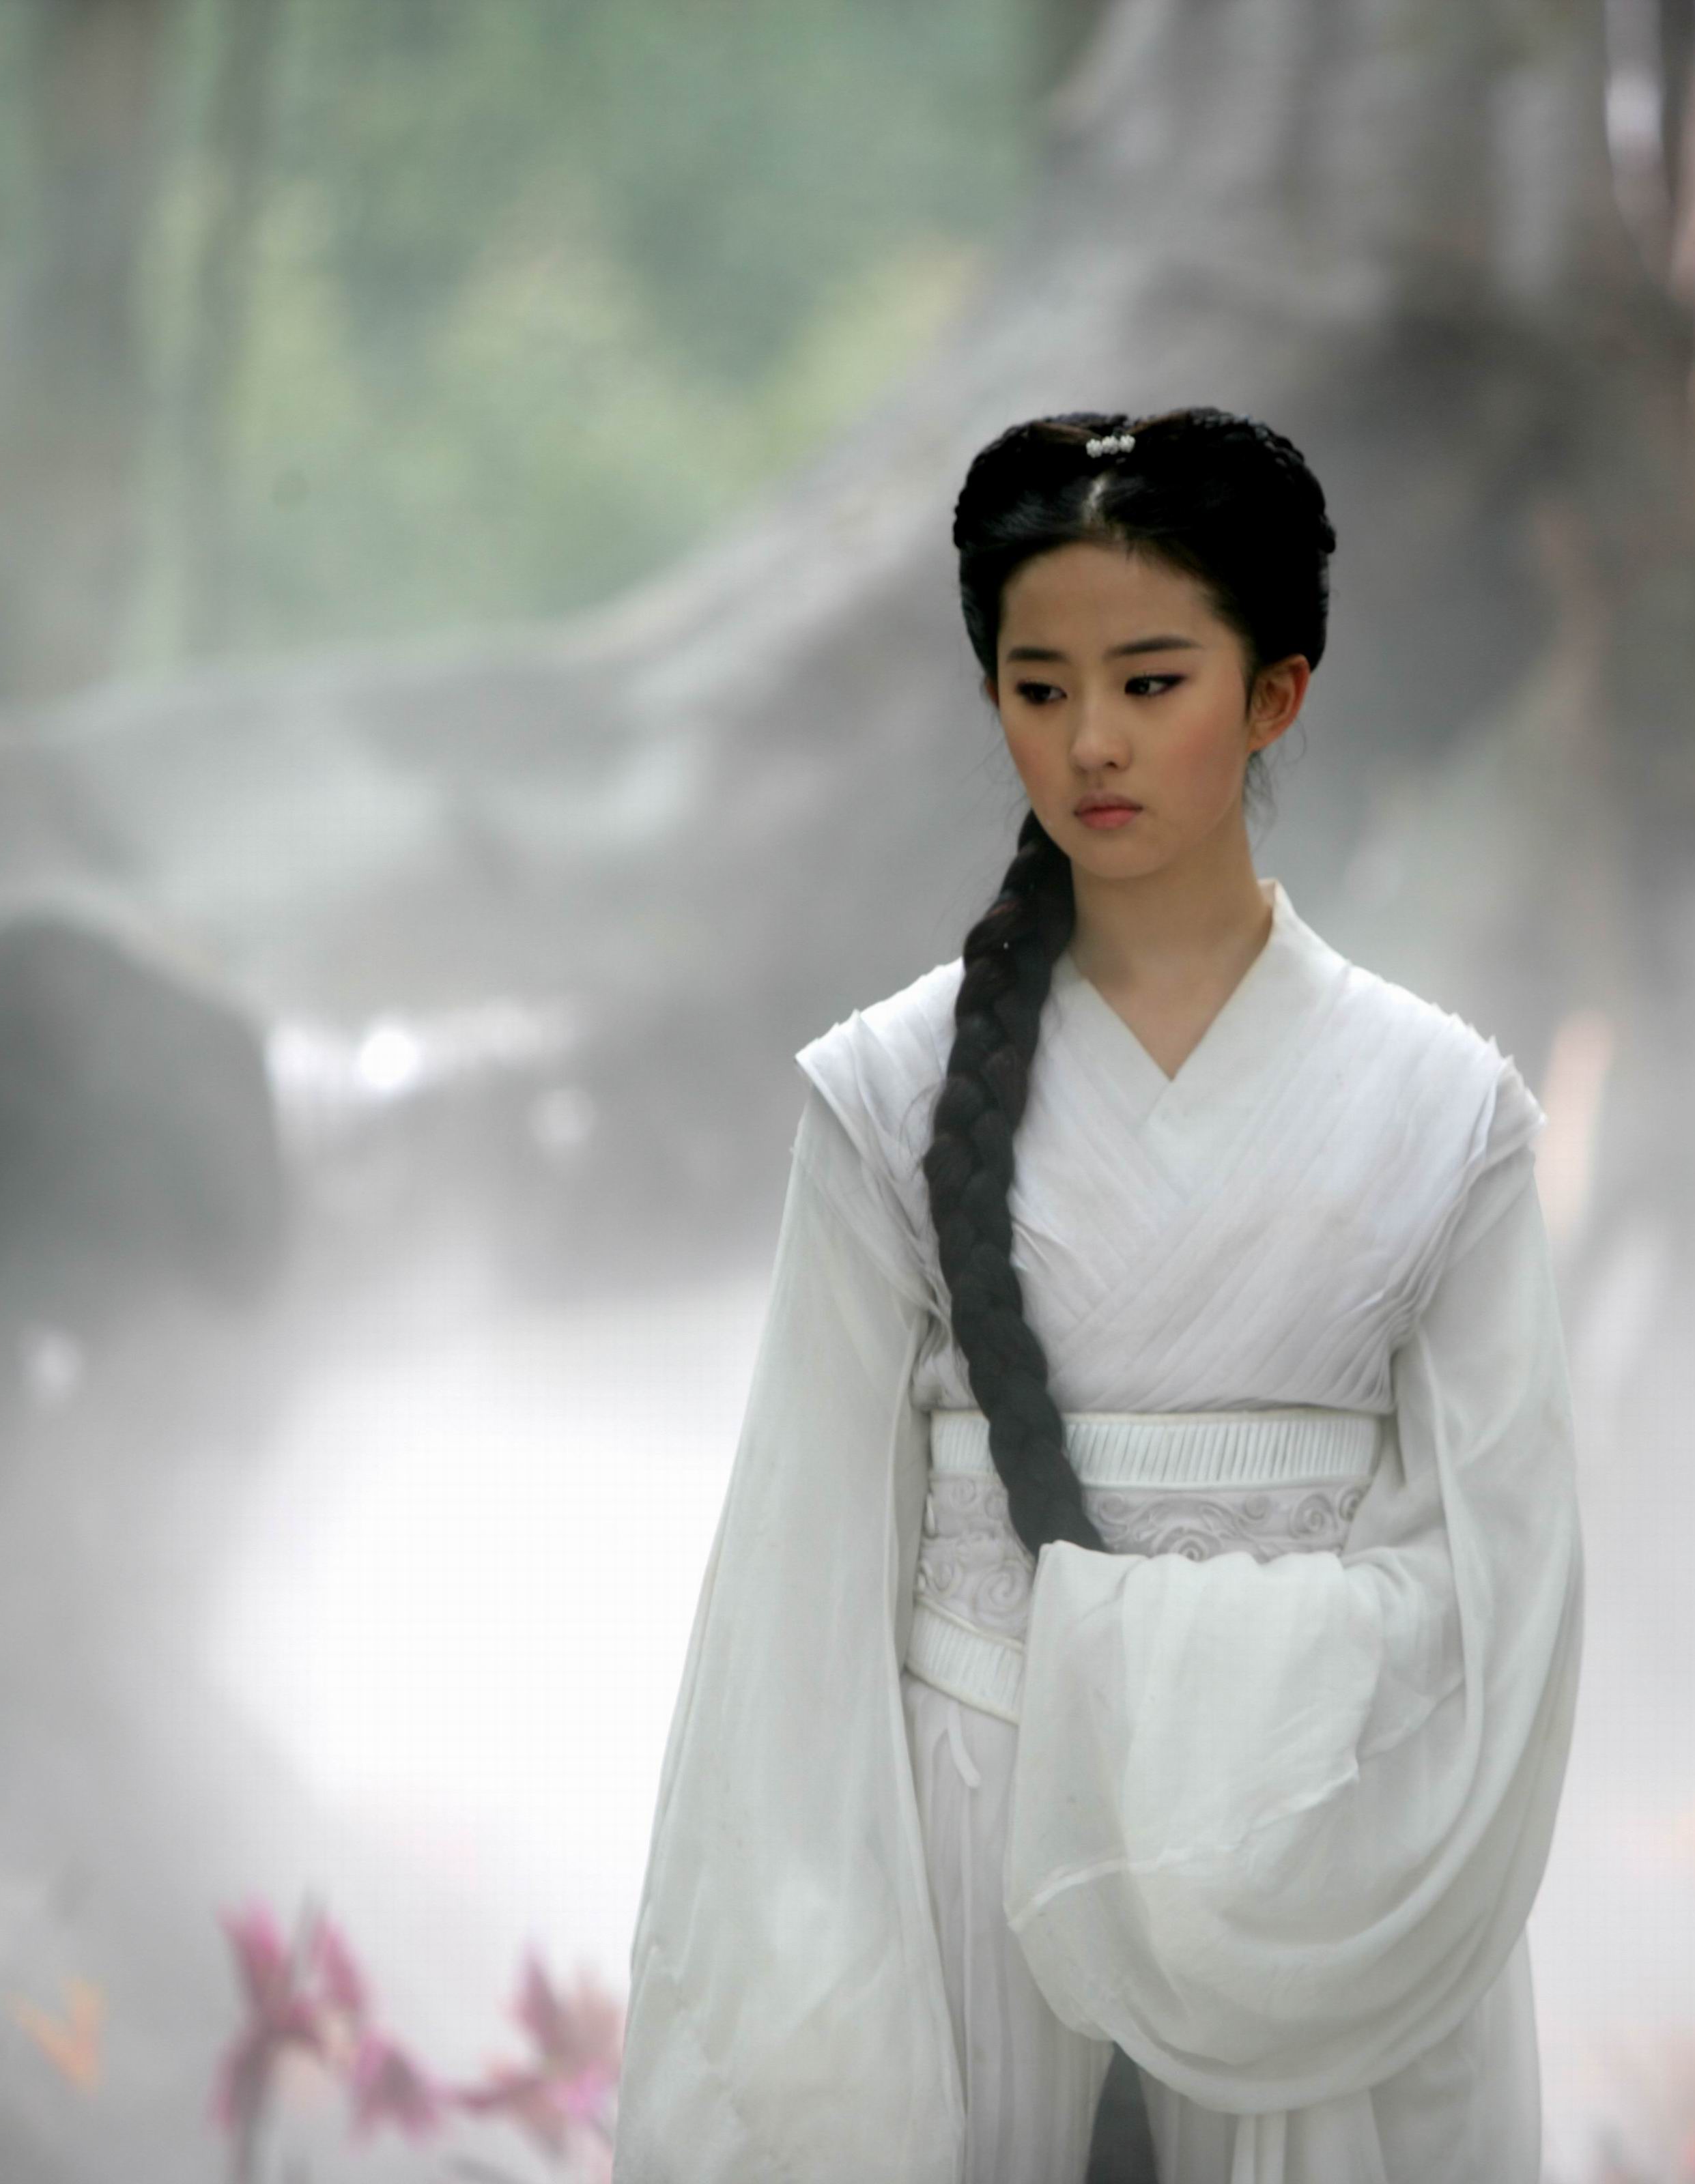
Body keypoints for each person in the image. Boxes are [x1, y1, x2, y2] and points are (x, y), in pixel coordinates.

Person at [612, 408, 1584, 2184]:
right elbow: (799, 1596)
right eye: (1039, 687)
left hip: (1305, 1865)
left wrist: (1220, 1726)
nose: (1091, 743)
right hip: (966, 1862)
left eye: (1150, 682)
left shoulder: (1444, 1114)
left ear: (1277, 693)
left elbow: (1500, 1587)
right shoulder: (890, 1094)